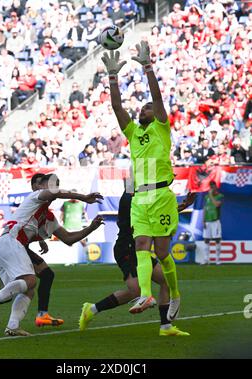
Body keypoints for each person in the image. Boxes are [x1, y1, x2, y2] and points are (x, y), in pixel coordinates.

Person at [0, 174, 104, 332]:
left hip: (10, 244)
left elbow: (68, 238)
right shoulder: (36, 196)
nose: (54, 189)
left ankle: (12, 326)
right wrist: (84, 197)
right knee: (30, 281)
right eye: (52, 185)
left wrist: (91, 228)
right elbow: (54, 194)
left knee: (24, 289)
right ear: (41, 186)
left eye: (57, 185)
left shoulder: (46, 215)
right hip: (11, 242)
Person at [101, 42, 180, 321]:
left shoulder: (160, 127)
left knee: (161, 251)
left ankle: (175, 292)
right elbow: (116, 106)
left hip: (160, 194)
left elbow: (157, 99)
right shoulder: (133, 132)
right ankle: (146, 293)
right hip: (139, 196)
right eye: (144, 107)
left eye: (148, 107)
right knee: (141, 246)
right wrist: (112, 77)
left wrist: (148, 67)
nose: (145, 108)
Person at [79, 190, 196, 336]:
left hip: (139, 250)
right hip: (127, 248)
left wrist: (182, 206)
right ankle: (92, 309)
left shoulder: (141, 194)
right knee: (137, 292)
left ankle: (166, 327)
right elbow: (149, 215)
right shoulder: (130, 197)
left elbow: (155, 215)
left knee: (165, 280)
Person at [202, 181, 224, 265]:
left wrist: (211, 195)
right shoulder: (206, 197)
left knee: (217, 239)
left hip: (215, 221)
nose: (211, 188)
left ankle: (217, 260)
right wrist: (203, 220)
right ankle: (206, 259)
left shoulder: (220, 196)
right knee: (206, 240)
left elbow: (217, 204)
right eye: (210, 186)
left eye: (213, 186)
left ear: (216, 187)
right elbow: (205, 208)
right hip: (207, 221)